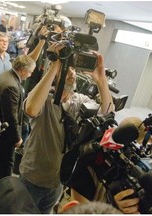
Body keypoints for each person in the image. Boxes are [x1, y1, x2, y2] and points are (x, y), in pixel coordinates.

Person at [19, 42, 115, 213]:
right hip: (33, 177)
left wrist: (101, 80)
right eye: (67, 68)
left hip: (58, 181)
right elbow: (31, 108)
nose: (72, 72)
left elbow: (108, 113)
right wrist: (56, 64)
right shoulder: (45, 99)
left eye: (73, 69)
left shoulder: (79, 101)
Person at [0, 55, 36, 182]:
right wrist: (16, 138)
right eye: (30, 72)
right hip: (6, 136)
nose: (30, 75)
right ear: (23, 70)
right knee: (6, 167)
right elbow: (11, 117)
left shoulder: (5, 75)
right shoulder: (11, 86)